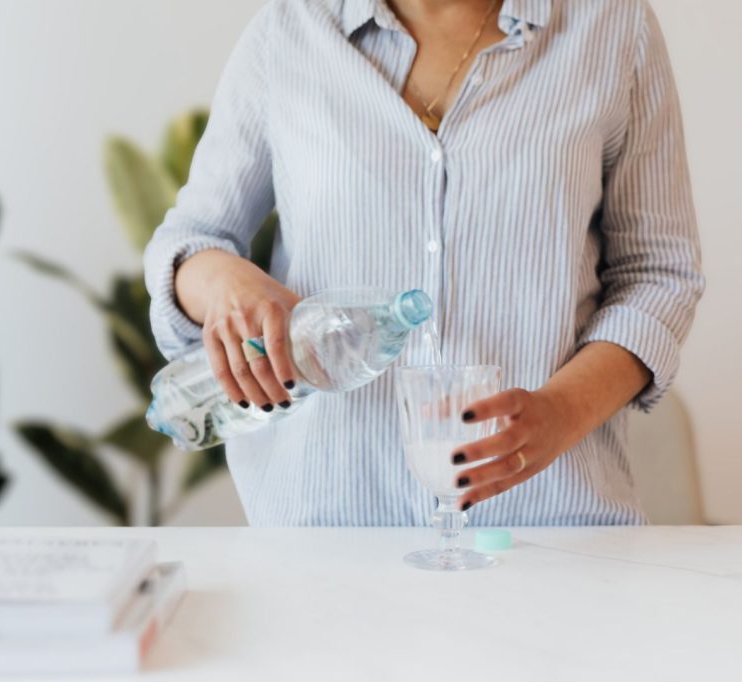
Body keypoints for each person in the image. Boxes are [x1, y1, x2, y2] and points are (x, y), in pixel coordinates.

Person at [144, 0, 705, 526]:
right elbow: (192, 241)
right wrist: (225, 281)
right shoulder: (290, 29)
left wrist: (560, 413)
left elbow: (658, 276)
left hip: (551, 529)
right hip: (324, 526)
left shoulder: (611, 28)